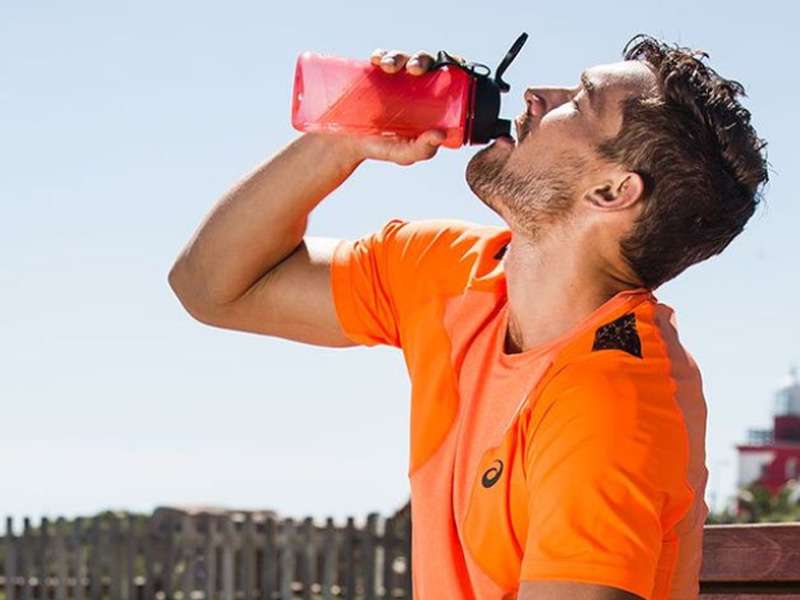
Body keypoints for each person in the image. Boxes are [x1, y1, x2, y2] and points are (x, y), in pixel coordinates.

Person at [168, 35, 768, 600]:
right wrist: (344, 134)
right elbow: (209, 286)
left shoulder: (614, 398)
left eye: (580, 100)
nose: (536, 95)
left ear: (612, 192)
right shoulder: (448, 268)